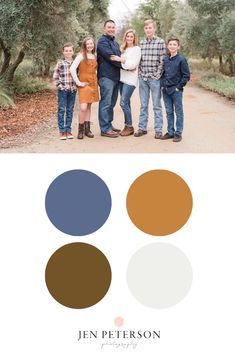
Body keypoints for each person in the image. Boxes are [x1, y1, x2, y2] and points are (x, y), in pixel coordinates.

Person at [134, 19, 166, 139]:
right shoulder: (141, 43)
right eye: (146, 28)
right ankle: (142, 128)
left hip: (155, 78)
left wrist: (157, 75)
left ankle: (158, 130)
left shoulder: (160, 42)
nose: (148, 30)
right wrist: (140, 74)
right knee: (143, 105)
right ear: (144, 29)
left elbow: (162, 61)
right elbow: (139, 60)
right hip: (143, 78)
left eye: (150, 28)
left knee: (157, 105)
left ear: (154, 29)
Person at [110, 29, 141, 136]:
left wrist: (122, 61)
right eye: (128, 36)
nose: (129, 38)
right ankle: (127, 126)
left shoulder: (137, 49)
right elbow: (125, 65)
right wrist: (126, 66)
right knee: (126, 103)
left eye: (131, 37)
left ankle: (129, 126)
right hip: (122, 78)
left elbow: (133, 64)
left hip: (130, 79)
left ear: (134, 38)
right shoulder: (122, 49)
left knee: (123, 102)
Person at [161, 38, 190, 142]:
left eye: (174, 44)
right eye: (170, 44)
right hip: (166, 90)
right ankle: (170, 132)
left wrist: (179, 87)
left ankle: (178, 133)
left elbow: (186, 76)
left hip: (176, 91)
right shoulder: (165, 59)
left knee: (178, 112)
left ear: (178, 47)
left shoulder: (182, 59)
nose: (172, 46)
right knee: (169, 111)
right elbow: (163, 73)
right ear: (168, 46)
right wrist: (162, 85)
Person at [70, 36, 99, 139]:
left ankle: (88, 130)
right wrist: (78, 82)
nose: (90, 45)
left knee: (89, 107)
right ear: (85, 45)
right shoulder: (81, 56)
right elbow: (72, 69)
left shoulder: (94, 56)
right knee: (83, 108)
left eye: (91, 43)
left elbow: (95, 70)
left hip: (93, 84)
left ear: (93, 45)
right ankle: (80, 130)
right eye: (88, 44)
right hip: (84, 85)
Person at [97, 20, 122, 138]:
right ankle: (104, 129)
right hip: (106, 77)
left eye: (113, 27)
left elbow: (119, 56)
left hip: (116, 77)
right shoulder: (102, 41)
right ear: (104, 28)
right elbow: (112, 58)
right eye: (109, 27)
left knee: (111, 103)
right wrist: (126, 66)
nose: (111, 29)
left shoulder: (115, 43)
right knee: (106, 103)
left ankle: (109, 124)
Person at [53, 42, 77, 140]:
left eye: (70, 50)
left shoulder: (75, 63)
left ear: (73, 52)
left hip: (72, 90)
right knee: (62, 110)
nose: (68, 52)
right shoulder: (60, 63)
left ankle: (68, 130)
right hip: (63, 90)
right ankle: (62, 131)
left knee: (70, 110)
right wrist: (60, 86)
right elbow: (55, 76)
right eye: (66, 51)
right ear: (63, 52)